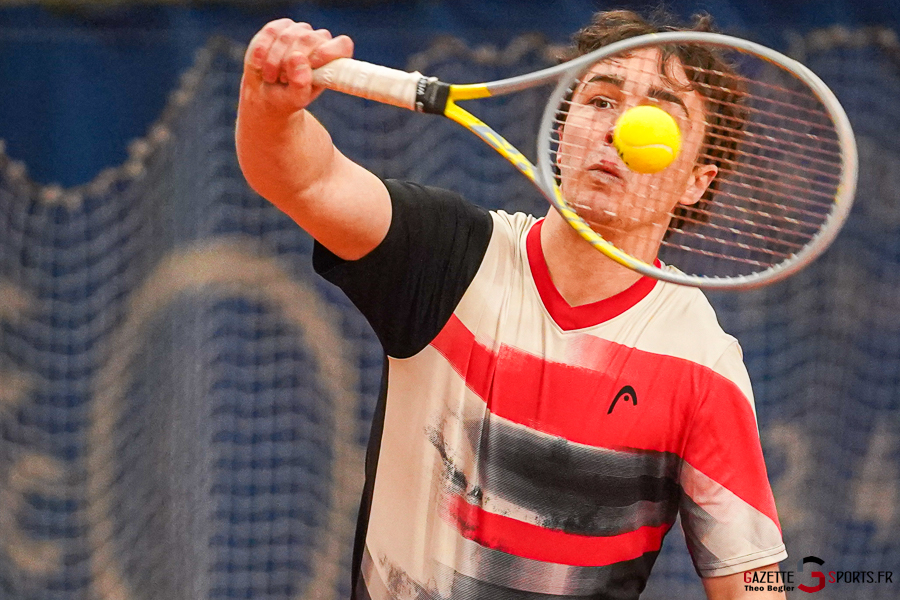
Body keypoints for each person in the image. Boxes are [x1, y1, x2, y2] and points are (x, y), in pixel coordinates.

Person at [236, 9, 788, 600]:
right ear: (563, 126)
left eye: (657, 113)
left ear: (696, 183)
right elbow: (306, 180)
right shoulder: (445, 254)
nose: (619, 128)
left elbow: (752, 582)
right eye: (600, 100)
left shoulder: (704, 364)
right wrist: (269, 105)